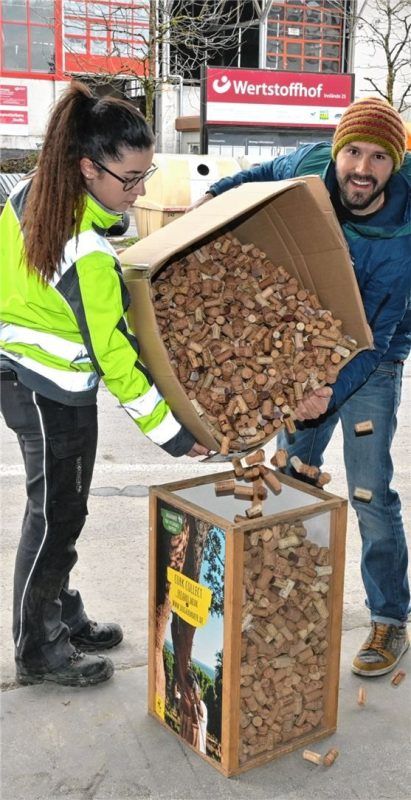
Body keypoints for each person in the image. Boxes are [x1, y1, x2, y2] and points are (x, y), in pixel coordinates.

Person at [188, 97, 410, 677]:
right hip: (304, 339)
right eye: (353, 152)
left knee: (369, 492)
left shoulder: (399, 240)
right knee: (287, 479)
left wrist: (326, 395)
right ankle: (283, 604)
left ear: (395, 165)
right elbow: (260, 175)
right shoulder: (311, 165)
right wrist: (216, 195)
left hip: (373, 361)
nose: (362, 168)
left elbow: (376, 341)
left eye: (379, 158)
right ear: (337, 151)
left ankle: (390, 618)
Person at [0, 81, 209, 689]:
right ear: (88, 166)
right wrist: (176, 435)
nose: (140, 191)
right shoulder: (84, 252)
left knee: (60, 511)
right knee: (56, 516)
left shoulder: (35, 195)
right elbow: (117, 361)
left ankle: (60, 616)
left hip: (20, 371)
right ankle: (38, 648)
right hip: (50, 390)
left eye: (147, 175)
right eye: (130, 179)